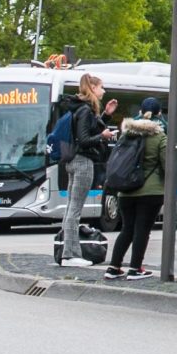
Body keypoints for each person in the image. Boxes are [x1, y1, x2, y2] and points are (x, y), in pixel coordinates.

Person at [103, 98, 167, 280]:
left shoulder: (126, 134)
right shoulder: (159, 137)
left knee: (127, 229)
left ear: (140, 112)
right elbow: (167, 164)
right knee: (142, 230)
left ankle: (113, 267)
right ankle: (135, 268)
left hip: (125, 191)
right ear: (159, 114)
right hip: (151, 192)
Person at [57, 74, 112, 267]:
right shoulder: (86, 110)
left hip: (72, 160)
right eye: (101, 87)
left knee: (70, 209)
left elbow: (86, 131)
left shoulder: (77, 107)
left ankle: (67, 252)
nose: (104, 90)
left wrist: (106, 115)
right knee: (75, 210)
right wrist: (103, 136)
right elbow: (84, 139)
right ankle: (70, 255)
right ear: (93, 88)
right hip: (83, 162)